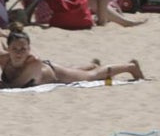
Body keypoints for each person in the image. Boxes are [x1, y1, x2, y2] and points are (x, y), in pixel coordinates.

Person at [0, 24, 143, 88]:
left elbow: (14, 85)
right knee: (77, 69)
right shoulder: (3, 57)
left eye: (23, 49)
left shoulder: (33, 62)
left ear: (29, 49)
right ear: (8, 48)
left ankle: (130, 67)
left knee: (91, 76)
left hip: (55, 74)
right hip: (50, 70)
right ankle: (91, 64)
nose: (19, 53)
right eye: (14, 49)